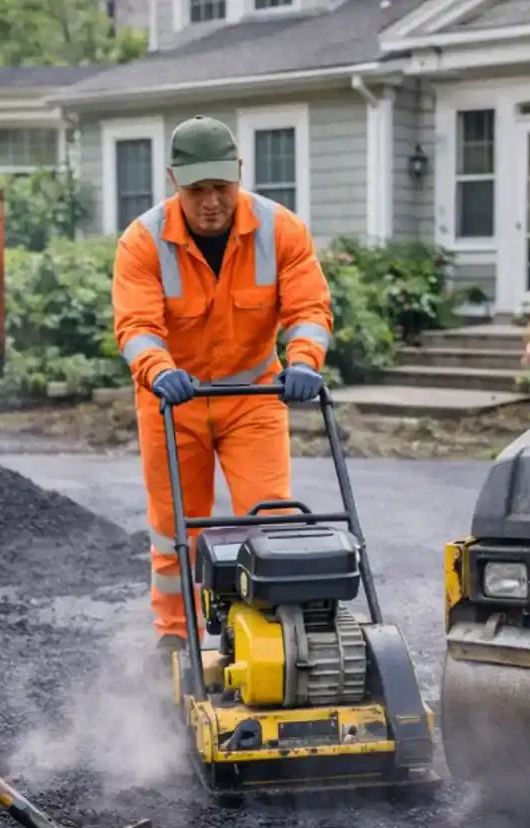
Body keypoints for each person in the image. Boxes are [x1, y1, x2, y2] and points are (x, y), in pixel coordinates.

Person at [111, 115, 334, 657]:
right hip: (172, 401)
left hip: (252, 397)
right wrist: (161, 373)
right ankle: (174, 636)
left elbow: (308, 308)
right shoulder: (142, 242)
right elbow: (136, 328)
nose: (211, 201)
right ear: (173, 182)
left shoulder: (280, 230)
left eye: (221, 187)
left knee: (270, 521)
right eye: (196, 190)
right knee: (175, 531)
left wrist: (303, 362)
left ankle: (277, 634)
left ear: (239, 173)